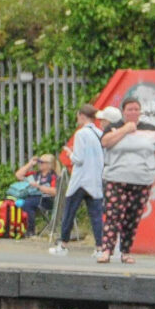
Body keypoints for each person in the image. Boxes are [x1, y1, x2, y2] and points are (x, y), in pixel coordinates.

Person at [99, 98, 155, 263]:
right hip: (115, 178)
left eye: (136, 109)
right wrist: (125, 129)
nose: (133, 112)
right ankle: (106, 250)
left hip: (141, 179)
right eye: (130, 109)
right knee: (113, 215)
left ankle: (125, 252)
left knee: (132, 217)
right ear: (123, 112)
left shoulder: (152, 130)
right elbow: (105, 142)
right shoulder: (114, 127)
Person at [52, 105, 102, 257]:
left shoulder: (81, 134)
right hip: (95, 179)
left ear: (81, 115)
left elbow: (79, 159)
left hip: (80, 180)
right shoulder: (99, 133)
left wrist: (69, 153)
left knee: (69, 212)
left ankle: (63, 244)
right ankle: (100, 247)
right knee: (96, 215)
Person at [14, 152, 59, 222]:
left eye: (41, 162)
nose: (39, 164)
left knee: (27, 203)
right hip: (33, 198)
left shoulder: (53, 176)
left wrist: (39, 187)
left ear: (49, 165)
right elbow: (18, 175)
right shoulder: (36, 174)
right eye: (39, 162)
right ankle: (18, 228)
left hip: (47, 200)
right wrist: (30, 164)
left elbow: (54, 192)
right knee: (16, 202)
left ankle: (30, 230)